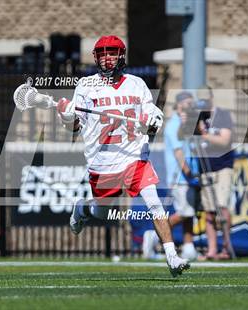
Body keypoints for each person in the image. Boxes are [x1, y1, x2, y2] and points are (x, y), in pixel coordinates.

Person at [56, 35, 190, 277]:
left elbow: (151, 116)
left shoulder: (136, 84)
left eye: (113, 53)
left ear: (121, 56)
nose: (108, 59)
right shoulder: (86, 85)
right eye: (103, 53)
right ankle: (83, 209)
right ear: (97, 57)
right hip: (103, 161)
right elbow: (75, 127)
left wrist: (153, 120)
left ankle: (172, 256)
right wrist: (67, 115)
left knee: (154, 203)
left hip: (134, 156)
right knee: (104, 211)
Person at [142, 91, 200, 261]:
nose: (191, 107)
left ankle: (189, 246)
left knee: (189, 212)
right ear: (179, 104)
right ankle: (153, 235)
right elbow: (178, 152)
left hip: (188, 176)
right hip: (180, 176)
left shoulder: (187, 124)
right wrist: (188, 171)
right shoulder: (175, 124)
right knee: (184, 212)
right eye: (188, 103)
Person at [195, 86, 235, 260]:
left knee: (222, 207)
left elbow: (224, 140)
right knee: (209, 211)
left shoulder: (223, 115)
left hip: (223, 167)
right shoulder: (198, 118)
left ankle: (226, 247)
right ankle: (212, 250)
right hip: (206, 168)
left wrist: (204, 135)